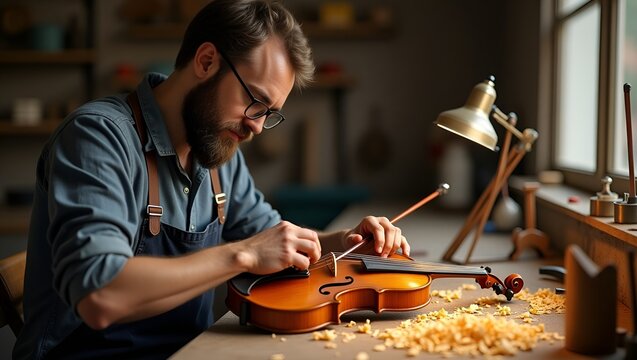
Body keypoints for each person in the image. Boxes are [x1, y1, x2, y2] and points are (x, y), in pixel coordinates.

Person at [14, 0, 410, 358]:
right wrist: (242, 255)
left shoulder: (216, 152)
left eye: (268, 113)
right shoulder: (98, 138)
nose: (256, 127)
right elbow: (99, 295)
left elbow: (273, 245)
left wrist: (345, 243)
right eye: (254, 102)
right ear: (206, 61)